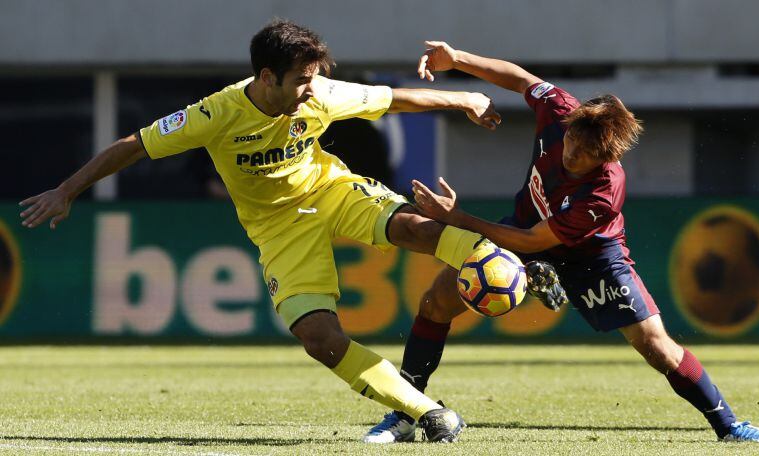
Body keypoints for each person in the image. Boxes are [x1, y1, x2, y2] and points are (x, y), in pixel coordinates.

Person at [16, 21, 522, 443]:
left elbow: (392, 100)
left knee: (413, 225)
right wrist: (67, 190)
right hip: (278, 229)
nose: (310, 89)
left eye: (313, 78)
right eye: (301, 80)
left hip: (332, 191)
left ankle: (512, 261)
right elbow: (134, 145)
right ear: (266, 77)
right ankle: (427, 412)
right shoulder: (215, 114)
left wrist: (464, 99)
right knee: (319, 338)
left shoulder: (319, 94)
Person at [365, 41, 759, 444]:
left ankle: (730, 426)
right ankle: (403, 414)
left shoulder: (603, 191)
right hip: (522, 231)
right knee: (436, 301)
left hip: (591, 256)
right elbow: (522, 79)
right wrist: (457, 60)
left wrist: (455, 218)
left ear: (606, 158)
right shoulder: (561, 110)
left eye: (584, 155)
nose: (572, 155)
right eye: (573, 143)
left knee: (656, 346)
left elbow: (531, 239)